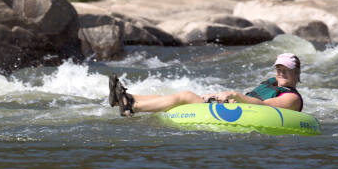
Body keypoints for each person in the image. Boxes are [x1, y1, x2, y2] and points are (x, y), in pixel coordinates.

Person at [108, 53, 304, 116]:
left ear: (297, 73)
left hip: (243, 113)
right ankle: (126, 97)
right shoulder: (273, 84)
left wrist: (236, 95)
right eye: (278, 68)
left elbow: (264, 106)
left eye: (285, 69)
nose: (280, 72)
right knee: (174, 97)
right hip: (234, 108)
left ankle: (132, 107)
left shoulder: (291, 98)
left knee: (185, 96)